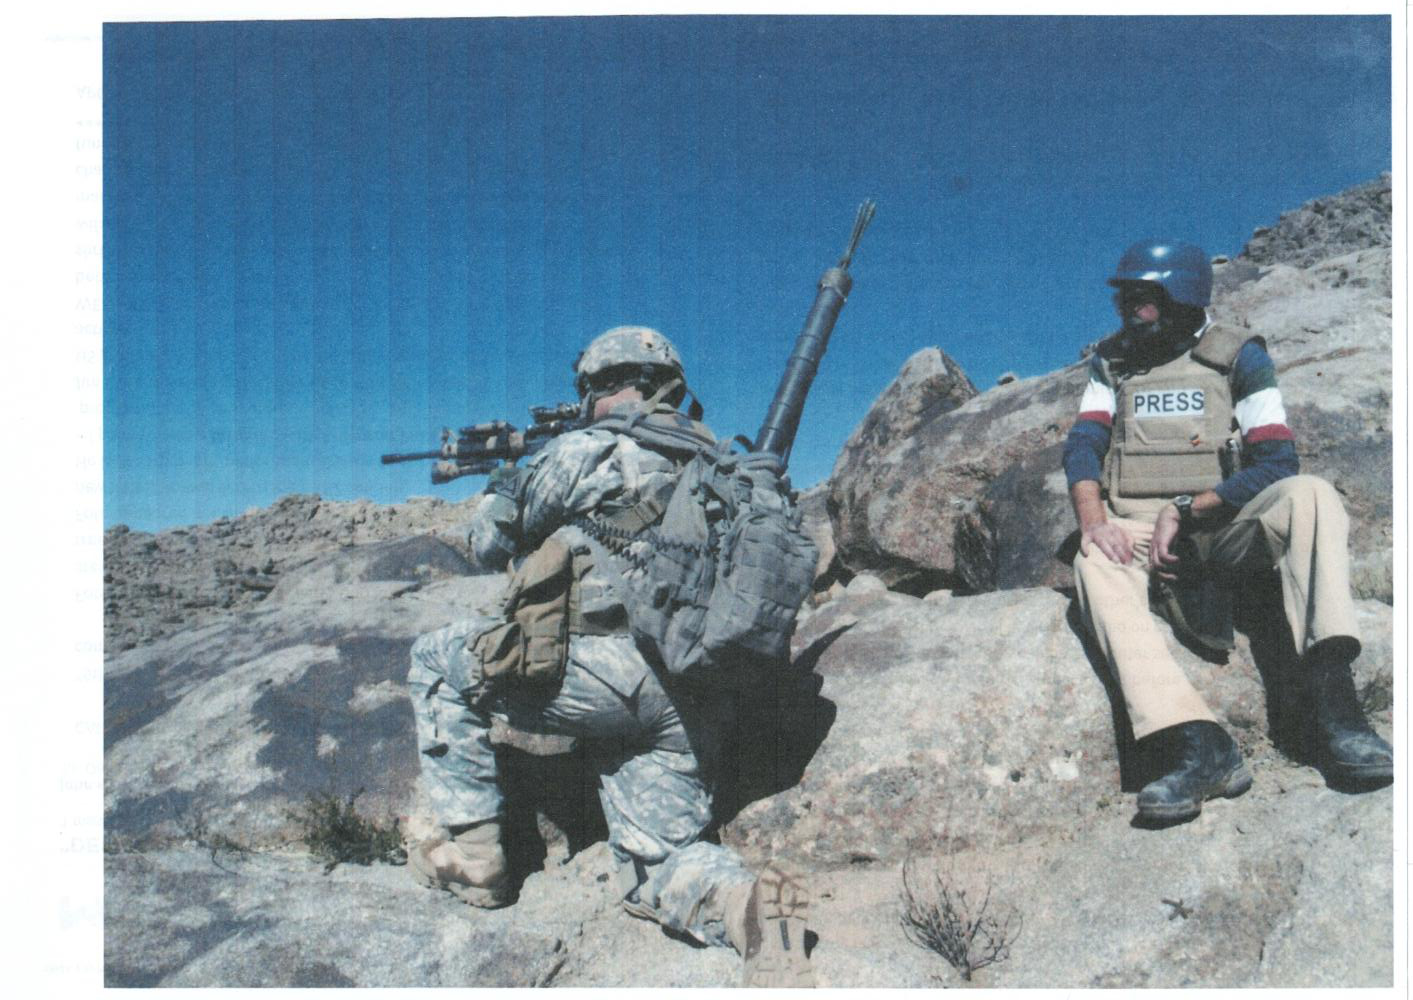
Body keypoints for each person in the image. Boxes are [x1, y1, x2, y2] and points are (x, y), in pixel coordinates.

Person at [403, 325, 814, 988]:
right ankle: (748, 908)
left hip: (598, 677)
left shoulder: (588, 449)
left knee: (433, 659)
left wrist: (511, 478)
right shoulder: (722, 463)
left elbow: (483, 541)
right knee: (656, 861)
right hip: (692, 688)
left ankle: (475, 860)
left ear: (597, 386)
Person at [1063, 240, 1393, 824]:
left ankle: (1337, 711)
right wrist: (1094, 521)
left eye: (1142, 300)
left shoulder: (1239, 355)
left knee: (1311, 496)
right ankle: (1198, 744)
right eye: (1125, 299)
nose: (1127, 313)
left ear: (1181, 297)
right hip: (1137, 530)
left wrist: (1189, 509)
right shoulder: (1111, 362)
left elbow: (1277, 461)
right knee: (1093, 561)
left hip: (1220, 525)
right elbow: (1083, 444)